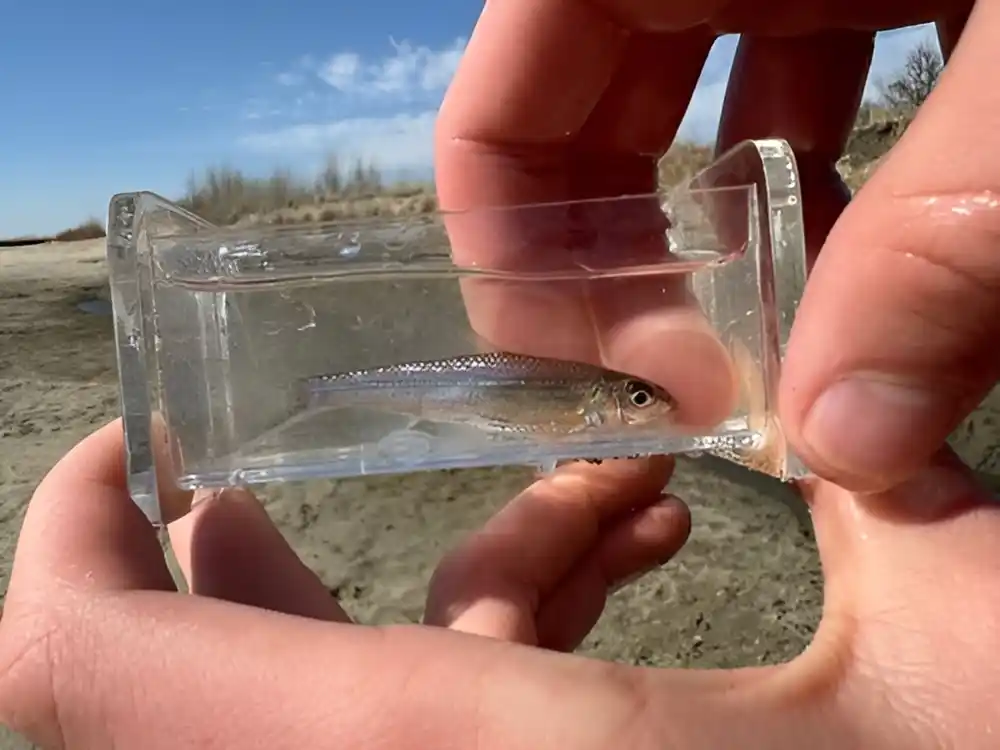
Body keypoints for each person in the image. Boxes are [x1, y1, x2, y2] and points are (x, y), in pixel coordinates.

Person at [3, 1, 1000, 747]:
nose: (640, 408)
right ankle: (322, 394)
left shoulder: (590, 392)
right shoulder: (583, 394)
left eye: (639, 401)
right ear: (609, 404)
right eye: (638, 401)